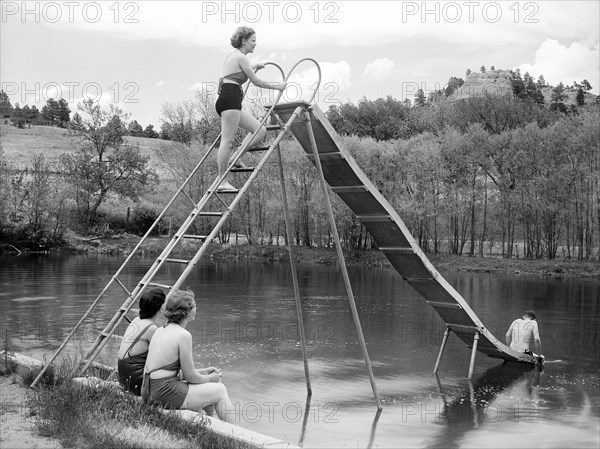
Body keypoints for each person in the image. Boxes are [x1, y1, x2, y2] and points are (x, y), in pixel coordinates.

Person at [141, 289, 234, 422]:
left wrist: (203, 372)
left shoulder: (160, 330)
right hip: (162, 392)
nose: (196, 308)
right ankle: (235, 434)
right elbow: (190, 377)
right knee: (220, 389)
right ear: (187, 312)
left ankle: (212, 422)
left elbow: (169, 371)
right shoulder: (183, 335)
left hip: (147, 390)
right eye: (194, 306)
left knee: (212, 385)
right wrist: (211, 378)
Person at [214, 26, 286, 193]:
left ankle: (236, 157)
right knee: (227, 141)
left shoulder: (235, 57)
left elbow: (239, 70)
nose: (255, 44)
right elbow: (256, 81)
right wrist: (278, 86)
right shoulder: (240, 57)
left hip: (231, 100)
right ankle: (221, 180)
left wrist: (256, 64)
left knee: (260, 131)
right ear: (244, 40)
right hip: (230, 100)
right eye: (253, 40)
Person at [117, 288, 166, 395]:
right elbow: (163, 358)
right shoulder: (151, 328)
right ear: (160, 308)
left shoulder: (136, 320)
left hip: (124, 376)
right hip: (135, 381)